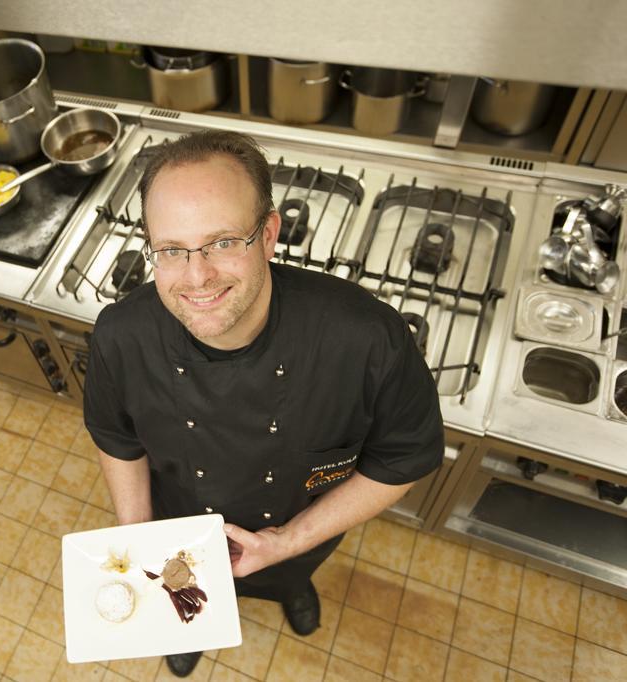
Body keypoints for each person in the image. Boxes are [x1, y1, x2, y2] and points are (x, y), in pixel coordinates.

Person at [83, 130, 445, 678]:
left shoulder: (368, 338)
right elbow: (118, 439)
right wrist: (140, 543)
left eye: (224, 242)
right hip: (177, 532)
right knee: (182, 602)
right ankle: (187, 629)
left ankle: (290, 590)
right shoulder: (120, 336)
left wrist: (287, 544)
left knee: (291, 577)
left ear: (269, 234)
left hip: (298, 534)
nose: (197, 276)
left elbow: (401, 461)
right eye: (172, 249)